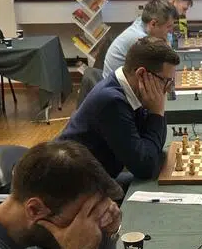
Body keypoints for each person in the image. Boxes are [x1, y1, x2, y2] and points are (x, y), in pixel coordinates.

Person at [59, 37, 179, 183]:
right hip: (77, 186)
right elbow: (146, 166)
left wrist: (156, 112)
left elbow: (153, 148)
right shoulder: (112, 101)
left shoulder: (127, 87)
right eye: (166, 81)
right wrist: (157, 113)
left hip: (99, 176)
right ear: (141, 74)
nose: (169, 89)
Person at [102, 0, 176, 78]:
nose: (171, 31)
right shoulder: (140, 39)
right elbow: (166, 66)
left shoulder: (142, 22)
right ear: (153, 24)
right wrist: (166, 44)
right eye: (168, 27)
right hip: (117, 84)